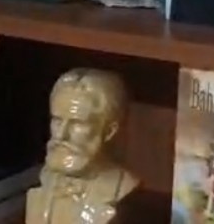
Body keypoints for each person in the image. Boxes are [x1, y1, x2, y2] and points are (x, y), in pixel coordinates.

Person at [25, 69, 138, 224]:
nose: (61, 135)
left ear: (109, 131)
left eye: (77, 123)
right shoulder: (43, 182)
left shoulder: (124, 190)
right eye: (57, 120)